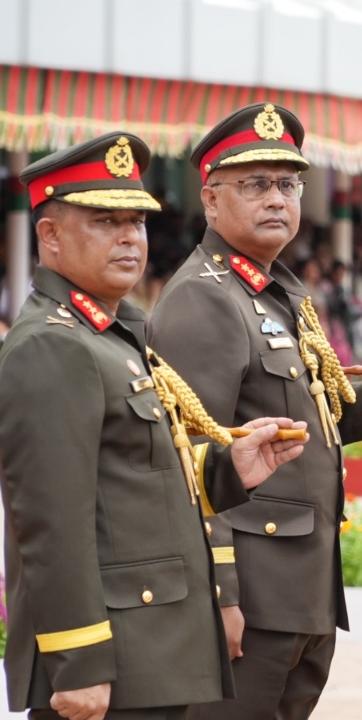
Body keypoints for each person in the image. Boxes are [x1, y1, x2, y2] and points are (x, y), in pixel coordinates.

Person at [148, 103, 362, 720]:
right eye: (255, 184)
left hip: (300, 589)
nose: (277, 199)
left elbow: (281, 419)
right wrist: (220, 595)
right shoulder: (205, 297)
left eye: (287, 184)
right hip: (253, 597)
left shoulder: (274, 288)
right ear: (209, 200)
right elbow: (192, 458)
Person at [0, 132, 307, 720]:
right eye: (105, 221)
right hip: (111, 664)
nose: (128, 238)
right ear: (50, 235)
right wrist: (79, 663)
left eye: (136, 223)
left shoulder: (114, 335)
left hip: (155, 652)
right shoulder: (52, 346)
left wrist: (227, 467)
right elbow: (52, 522)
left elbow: (136, 479)